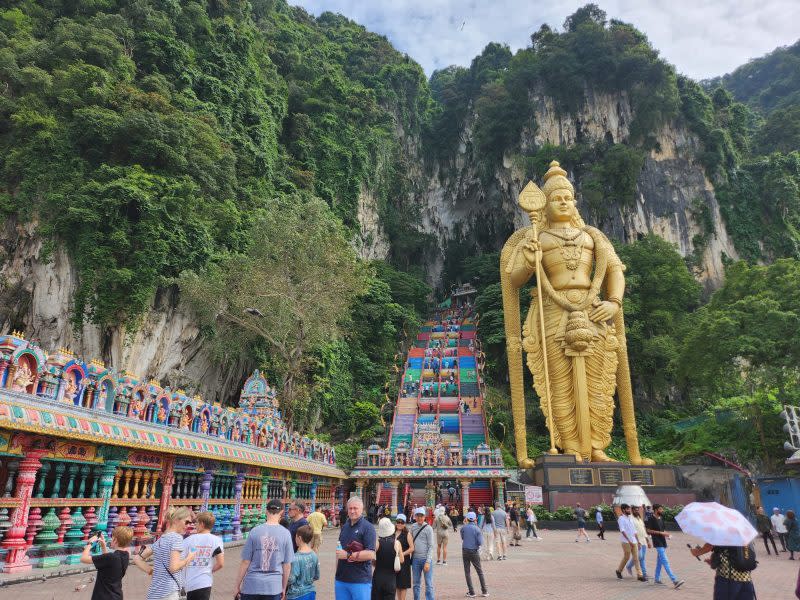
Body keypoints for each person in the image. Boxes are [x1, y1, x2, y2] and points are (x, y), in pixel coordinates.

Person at [236, 498, 295, 600]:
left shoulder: (254, 531)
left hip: (252, 585)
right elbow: (287, 565)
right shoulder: (286, 533)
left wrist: (237, 585)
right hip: (273, 587)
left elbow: (245, 562)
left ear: (266, 511)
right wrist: (284, 587)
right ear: (281, 511)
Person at [139, 507, 197, 600]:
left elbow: (137, 558)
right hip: (169, 591)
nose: (188, 525)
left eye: (190, 523)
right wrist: (189, 558)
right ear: (176, 520)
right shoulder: (177, 538)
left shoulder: (160, 540)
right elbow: (173, 568)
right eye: (186, 522)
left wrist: (151, 571)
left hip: (154, 593)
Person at [335, 496, 377, 600]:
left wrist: (348, 555)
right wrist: (337, 572)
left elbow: (371, 554)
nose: (352, 511)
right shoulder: (345, 527)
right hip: (341, 579)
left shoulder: (368, 527)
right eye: (350, 508)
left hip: (360, 580)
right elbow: (340, 551)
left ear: (362, 509)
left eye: (355, 508)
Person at [80, 526, 133, 600]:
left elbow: (83, 559)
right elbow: (109, 564)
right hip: (116, 595)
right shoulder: (126, 555)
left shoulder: (111, 557)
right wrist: (103, 546)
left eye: (112, 538)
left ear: (115, 540)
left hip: (104, 596)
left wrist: (90, 543)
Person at [691, 543, 756, 599]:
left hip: (728, 579)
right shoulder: (744, 532)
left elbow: (710, 545)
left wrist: (697, 552)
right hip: (746, 579)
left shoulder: (724, 530)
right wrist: (714, 561)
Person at [183, 511, 224, 600]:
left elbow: (181, 561)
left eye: (196, 523)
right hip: (205, 582)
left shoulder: (188, 540)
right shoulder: (216, 540)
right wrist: (208, 570)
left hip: (190, 583)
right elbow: (220, 563)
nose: (195, 525)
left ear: (201, 524)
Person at [645, 504, 684, 589]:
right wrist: (660, 533)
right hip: (657, 542)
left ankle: (657, 579)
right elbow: (648, 530)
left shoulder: (661, 519)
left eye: (662, 509)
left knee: (660, 562)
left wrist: (667, 534)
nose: (662, 510)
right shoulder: (651, 519)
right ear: (655, 510)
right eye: (660, 509)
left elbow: (663, 530)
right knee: (665, 561)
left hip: (663, 541)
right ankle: (674, 581)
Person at [373, 517, 403, 600]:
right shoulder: (397, 543)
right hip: (391, 578)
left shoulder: (377, 543)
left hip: (378, 576)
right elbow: (402, 560)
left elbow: (373, 560)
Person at [287, 525, 320, 600]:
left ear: (299, 538)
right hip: (311, 592)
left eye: (295, 537)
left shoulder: (296, 557)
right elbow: (317, 576)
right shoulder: (314, 554)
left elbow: (291, 579)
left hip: (296, 594)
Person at [460, 512, 488, 598]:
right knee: (479, 571)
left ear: (466, 519)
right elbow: (480, 542)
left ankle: (471, 592)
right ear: (475, 519)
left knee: (467, 572)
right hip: (474, 551)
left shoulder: (463, 528)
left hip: (465, 550)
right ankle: (484, 591)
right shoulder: (477, 529)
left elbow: (463, 537)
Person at [409, 507, 435, 600]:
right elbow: (409, 541)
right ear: (415, 517)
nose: (419, 518)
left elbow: (431, 546)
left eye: (421, 516)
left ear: (425, 517)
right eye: (418, 516)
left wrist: (428, 561)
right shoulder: (412, 527)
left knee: (429, 583)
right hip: (415, 559)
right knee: (416, 583)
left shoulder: (428, 528)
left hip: (426, 559)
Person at [615, 504, 644, 581]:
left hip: (634, 541)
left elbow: (634, 531)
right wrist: (629, 541)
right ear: (624, 510)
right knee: (626, 557)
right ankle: (619, 571)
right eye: (628, 509)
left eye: (629, 509)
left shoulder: (630, 518)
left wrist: (638, 541)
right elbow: (622, 531)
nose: (629, 510)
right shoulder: (621, 519)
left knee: (636, 558)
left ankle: (640, 575)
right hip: (626, 542)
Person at [625, 506, 649, 581]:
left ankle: (644, 573)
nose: (637, 511)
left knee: (642, 558)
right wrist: (637, 542)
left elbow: (643, 530)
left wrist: (647, 540)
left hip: (643, 540)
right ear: (632, 510)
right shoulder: (631, 519)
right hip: (636, 541)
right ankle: (630, 566)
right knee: (640, 556)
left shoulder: (640, 519)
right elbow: (632, 531)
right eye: (635, 510)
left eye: (637, 510)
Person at [394, 514, 414, 600]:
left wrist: (402, 553)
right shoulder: (392, 532)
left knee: (403, 583)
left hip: (404, 561)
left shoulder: (407, 534)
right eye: (398, 522)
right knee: (397, 583)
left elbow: (412, 548)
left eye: (402, 522)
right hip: (394, 561)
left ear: (404, 524)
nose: (400, 524)